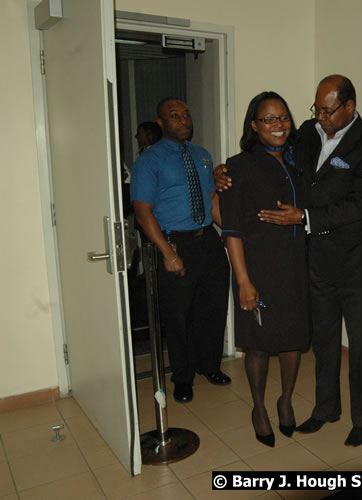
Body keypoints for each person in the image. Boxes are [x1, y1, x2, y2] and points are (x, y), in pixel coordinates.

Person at [224, 75, 362, 447]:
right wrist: (221, 174)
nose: (320, 116)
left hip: (355, 261)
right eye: (316, 108)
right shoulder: (308, 133)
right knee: (324, 340)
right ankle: (325, 409)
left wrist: (305, 218)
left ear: (349, 106)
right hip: (311, 261)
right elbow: (267, 157)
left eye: (328, 110)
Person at [219, 92, 309, 448]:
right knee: (257, 345)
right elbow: (231, 230)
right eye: (268, 119)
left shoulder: (300, 161)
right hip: (255, 268)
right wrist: (243, 281)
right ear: (254, 126)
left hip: (297, 267)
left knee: (293, 343)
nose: (278, 125)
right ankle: (259, 408)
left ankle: (285, 400)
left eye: (283, 117)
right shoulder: (236, 167)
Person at [131, 97, 231, 403]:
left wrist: (229, 235)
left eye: (186, 114)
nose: (183, 120)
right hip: (174, 242)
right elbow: (142, 211)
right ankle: (183, 377)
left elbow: (211, 198)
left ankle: (209, 366)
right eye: (174, 116)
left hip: (208, 241)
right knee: (178, 315)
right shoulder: (149, 161)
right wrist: (168, 254)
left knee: (212, 307)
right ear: (161, 123)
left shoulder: (202, 156)